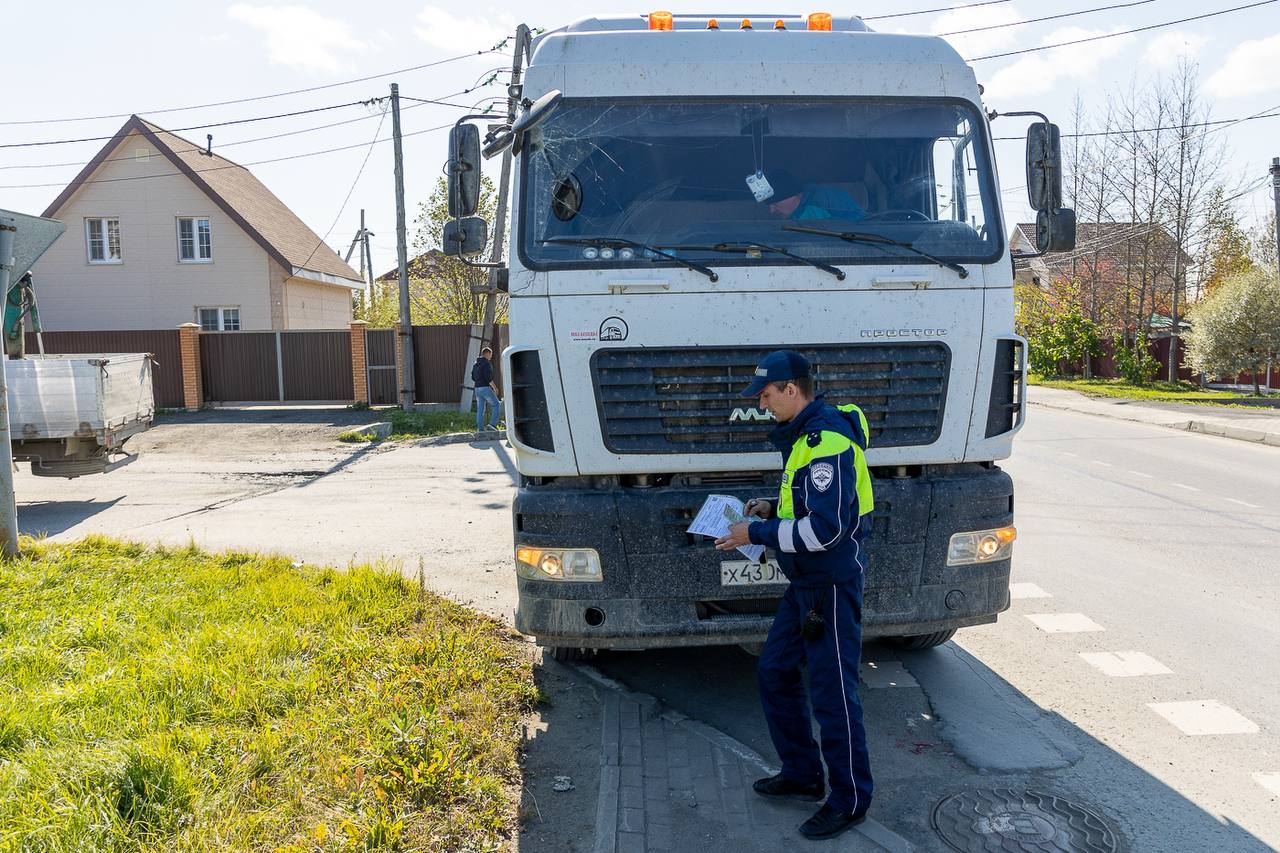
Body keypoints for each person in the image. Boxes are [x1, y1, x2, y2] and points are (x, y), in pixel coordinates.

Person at [714, 350, 874, 840]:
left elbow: (826, 529)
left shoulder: (826, 440)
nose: (760, 405)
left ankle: (849, 801)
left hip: (827, 584)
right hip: (806, 585)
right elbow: (802, 501)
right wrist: (768, 508)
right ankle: (804, 775)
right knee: (774, 670)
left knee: (833, 696)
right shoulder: (806, 436)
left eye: (765, 395)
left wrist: (756, 533)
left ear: (791, 389)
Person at [763, 169, 866, 222]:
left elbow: (860, 221)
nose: (771, 211)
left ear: (794, 196)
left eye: (775, 204)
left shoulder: (824, 198)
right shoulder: (790, 217)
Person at [470, 347, 503, 433]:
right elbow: (489, 378)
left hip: (477, 389)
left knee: (480, 409)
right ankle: (492, 425)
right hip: (485, 388)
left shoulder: (475, 364)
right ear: (487, 354)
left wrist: (479, 381)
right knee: (496, 405)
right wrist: (495, 388)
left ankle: (480, 429)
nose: (491, 357)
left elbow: (473, 377)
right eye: (491, 355)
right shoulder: (486, 364)